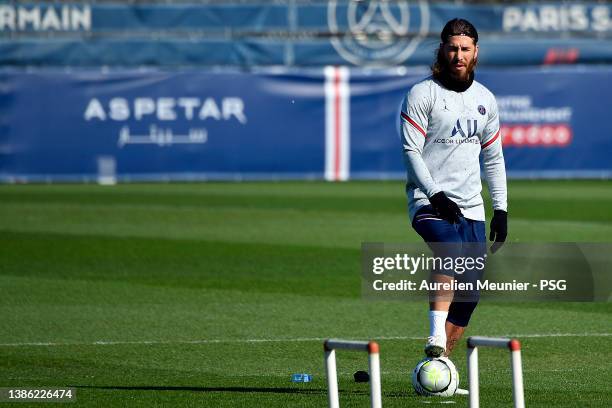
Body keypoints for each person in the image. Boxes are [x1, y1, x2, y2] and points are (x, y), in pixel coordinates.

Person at [398, 18, 508, 357]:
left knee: (469, 296)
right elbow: (410, 151)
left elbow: (493, 158)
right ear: (442, 50)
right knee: (450, 251)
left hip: (471, 207)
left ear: (475, 52)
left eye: (465, 49)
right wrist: (434, 193)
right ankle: (434, 337)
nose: (458, 55)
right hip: (428, 201)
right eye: (452, 48)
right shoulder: (422, 94)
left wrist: (500, 209)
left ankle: (438, 366)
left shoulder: (485, 100)